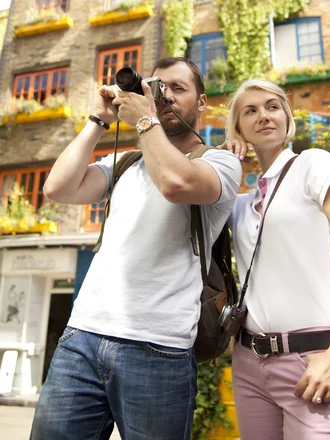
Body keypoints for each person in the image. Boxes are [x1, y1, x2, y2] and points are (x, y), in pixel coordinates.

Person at [30, 57, 242, 440]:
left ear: (202, 101)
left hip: (158, 348)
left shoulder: (220, 162)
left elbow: (176, 183)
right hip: (82, 337)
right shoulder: (126, 163)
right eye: (158, 88)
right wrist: (98, 120)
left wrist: (146, 120)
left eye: (179, 88)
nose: (166, 96)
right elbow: (57, 189)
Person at [222, 79, 330, 440]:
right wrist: (224, 159)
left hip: (313, 358)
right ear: (238, 128)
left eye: (272, 106)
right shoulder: (242, 203)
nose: (264, 115)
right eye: (250, 110)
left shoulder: (313, 164)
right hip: (249, 363)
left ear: (287, 117)